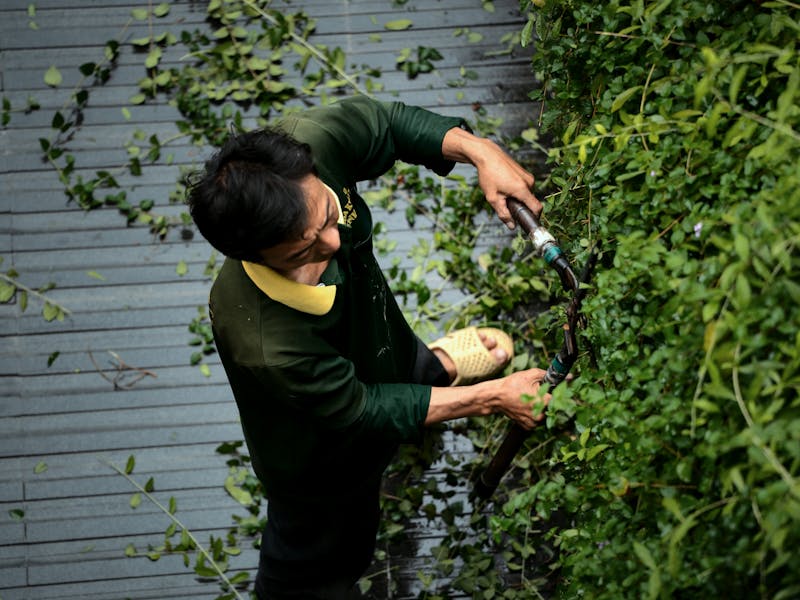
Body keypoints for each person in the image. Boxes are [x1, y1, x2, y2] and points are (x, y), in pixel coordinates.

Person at [187, 96, 550, 599]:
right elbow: (360, 409)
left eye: (331, 216)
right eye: (304, 249)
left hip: (378, 337)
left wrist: (480, 151)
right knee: (320, 559)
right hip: (323, 453)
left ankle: (433, 366)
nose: (334, 243)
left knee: (403, 358)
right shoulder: (266, 343)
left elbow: (388, 123)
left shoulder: (304, 147)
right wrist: (494, 397)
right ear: (255, 256)